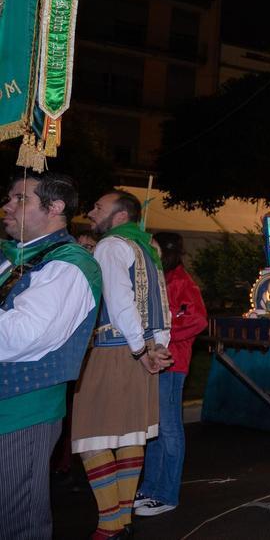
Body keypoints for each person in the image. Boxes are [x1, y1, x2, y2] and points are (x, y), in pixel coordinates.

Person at [0, 173, 102, 540]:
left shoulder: (69, 264)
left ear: (55, 207)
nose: (7, 206)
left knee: (15, 522)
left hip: (20, 409)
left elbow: (24, 335)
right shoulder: (15, 257)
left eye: (19, 198)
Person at [74, 190, 172, 538]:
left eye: (97, 207)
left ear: (118, 217)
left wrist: (138, 351)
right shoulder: (147, 247)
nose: (90, 212)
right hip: (141, 351)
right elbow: (163, 304)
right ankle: (122, 522)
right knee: (131, 435)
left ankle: (110, 523)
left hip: (115, 349)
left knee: (90, 436)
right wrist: (157, 348)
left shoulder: (111, 245)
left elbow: (118, 301)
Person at [133, 233, 209, 516]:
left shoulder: (181, 282)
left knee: (169, 428)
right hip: (157, 361)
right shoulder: (160, 279)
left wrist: (161, 339)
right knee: (155, 429)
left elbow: (198, 320)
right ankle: (151, 487)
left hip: (172, 364)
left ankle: (166, 493)